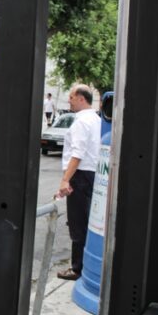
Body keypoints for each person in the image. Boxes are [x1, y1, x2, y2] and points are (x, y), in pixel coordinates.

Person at [55, 84, 101, 281]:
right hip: (91, 175)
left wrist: (65, 179)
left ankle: (76, 268)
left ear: (82, 98)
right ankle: (84, 264)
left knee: (77, 223)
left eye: (72, 96)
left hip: (80, 176)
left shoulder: (82, 122)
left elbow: (78, 153)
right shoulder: (96, 119)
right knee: (87, 222)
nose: (69, 100)